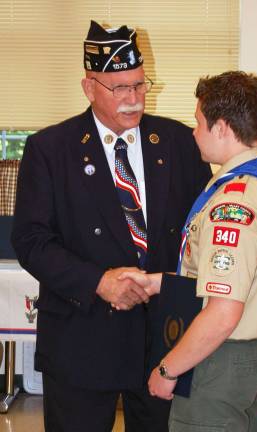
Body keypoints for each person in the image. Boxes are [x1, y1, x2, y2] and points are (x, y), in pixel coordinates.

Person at [11, 20, 211, 432]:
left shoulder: (178, 142)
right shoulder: (51, 149)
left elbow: (201, 230)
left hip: (164, 339)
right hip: (81, 339)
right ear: (89, 87)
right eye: (119, 88)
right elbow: (30, 240)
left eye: (140, 85)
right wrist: (98, 282)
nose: (134, 99)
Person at [121, 71, 257, 432]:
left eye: (199, 122)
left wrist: (168, 369)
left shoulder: (233, 204)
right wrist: (159, 282)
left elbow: (223, 312)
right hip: (255, 351)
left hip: (220, 359)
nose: (193, 132)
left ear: (222, 129)